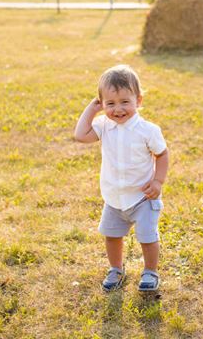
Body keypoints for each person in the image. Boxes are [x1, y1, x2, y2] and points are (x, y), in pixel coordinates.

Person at [74, 65, 169, 292]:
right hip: (114, 197)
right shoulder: (103, 127)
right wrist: (91, 108)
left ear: (139, 100)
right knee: (112, 236)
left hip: (142, 196)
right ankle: (116, 269)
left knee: (147, 237)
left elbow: (162, 154)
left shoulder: (148, 130)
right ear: (102, 104)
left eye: (125, 102)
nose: (118, 109)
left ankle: (150, 272)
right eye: (110, 103)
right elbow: (80, 136)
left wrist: (158, 182)